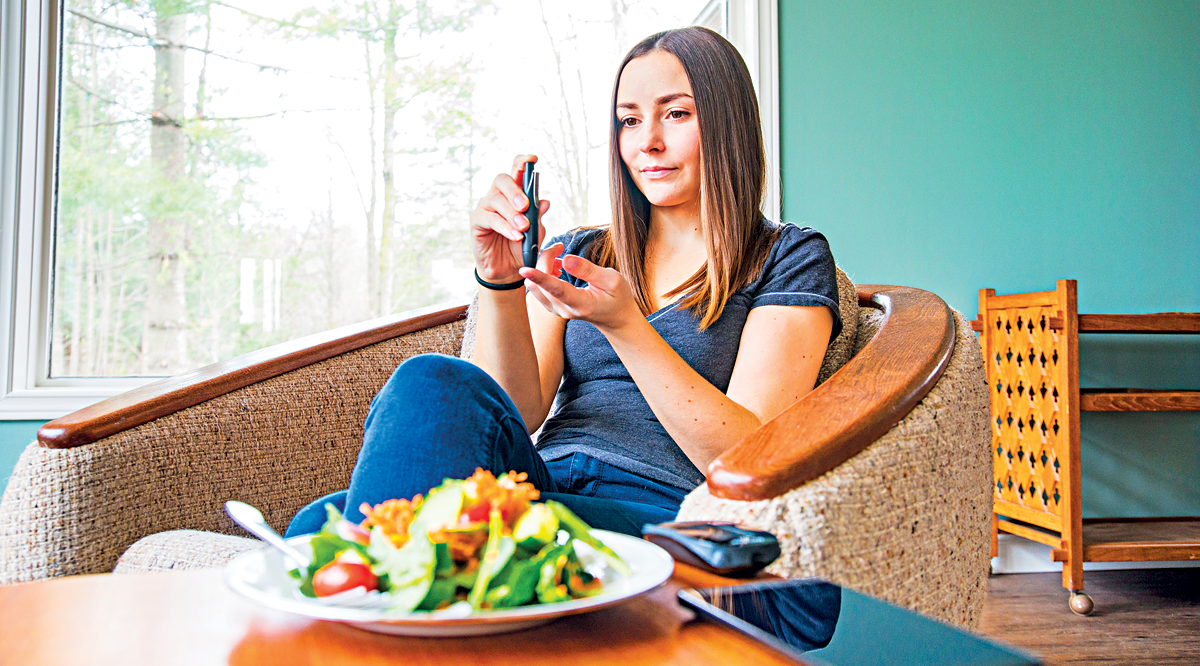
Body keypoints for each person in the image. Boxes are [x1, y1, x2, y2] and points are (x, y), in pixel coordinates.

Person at [286, 26, 841, 538]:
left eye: (675, 115)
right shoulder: (584, 252)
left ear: (728, 123)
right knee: (429, 385)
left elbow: (749, 459)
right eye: (628, 120)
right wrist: (499, 280)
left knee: (326, 535)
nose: (646, 141)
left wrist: (627, 328)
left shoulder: (788, 256)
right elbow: (516, 409)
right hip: (540, 484)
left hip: (660, 511)